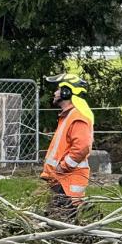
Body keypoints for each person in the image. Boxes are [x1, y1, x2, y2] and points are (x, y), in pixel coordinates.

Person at [42, 73, 94, 221]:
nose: (55, 92)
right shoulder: (69, 115)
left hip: (68, 181)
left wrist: (64, 166)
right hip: (62, 180)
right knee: (56, 220)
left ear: (67, 92)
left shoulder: (78, 116)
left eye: (58, 89)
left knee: (62, 222)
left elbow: (82, 147)